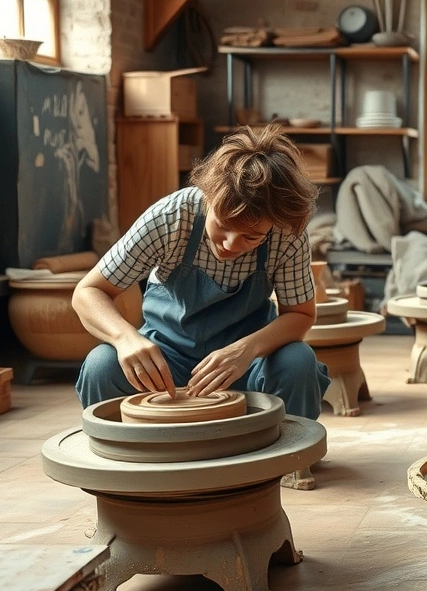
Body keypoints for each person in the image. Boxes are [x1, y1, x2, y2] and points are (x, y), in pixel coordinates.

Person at [72, 125, 329, 489]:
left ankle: (285, 464)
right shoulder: (171, 217)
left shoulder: (286, 231)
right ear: (208, 197)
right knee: (101, 364)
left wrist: (247, 349)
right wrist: (125, 339)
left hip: (242, 363)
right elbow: (88, 292)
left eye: (251, 237)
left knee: (297, 362)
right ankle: (124, 464)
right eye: (223, 226)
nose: (230, 243)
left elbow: (301, 315)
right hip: (166, 360)